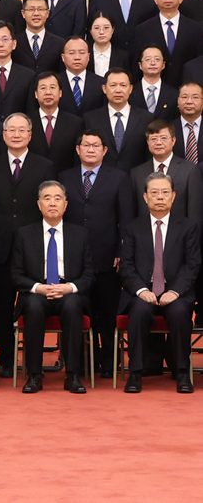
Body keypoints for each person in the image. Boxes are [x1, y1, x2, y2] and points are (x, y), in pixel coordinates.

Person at [0, 112, 56, 376]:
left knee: (33, 305)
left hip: (32, 247)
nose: (16, 134)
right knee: (2, 307)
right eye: (11, 130)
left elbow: (48, 208)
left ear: (30, 135)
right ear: (3, 135)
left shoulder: (45, 166)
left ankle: (33, 359)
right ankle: (7, 359)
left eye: (22, 130)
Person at [60, 128, 133, 378]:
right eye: (86, 145)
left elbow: (126, 219)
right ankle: (79, 363)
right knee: (76, 311)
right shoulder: (64, 177)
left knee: (106, 313)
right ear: (78, 149)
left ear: (104, 150)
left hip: (107, 256)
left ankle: (109, 362)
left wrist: (122, 251)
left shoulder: (119, 178)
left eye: (96, 146)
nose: (90, 150)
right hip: (73, 258)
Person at [118, 173, 200, 393]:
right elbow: (126, 265)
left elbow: (192, 264)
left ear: (173, 196)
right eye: (154, 193)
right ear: (146, 197)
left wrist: (175, 291)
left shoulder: (187, 227)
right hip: (143, 292)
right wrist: (141, 290)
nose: (160, 197)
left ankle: (182, 373)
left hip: (176, 293)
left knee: (179, 312)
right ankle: (135, 373)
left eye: (165, 192)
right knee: (139, 311)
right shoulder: (133, 227)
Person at [11, 181, 94, 394]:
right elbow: (16, 274)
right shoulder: (24, 234)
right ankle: (34, 375)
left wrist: (69, 287)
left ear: (65, 204)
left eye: (58, 198)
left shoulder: (80, 234)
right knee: (33, 307)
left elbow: (89, 274)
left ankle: (72, 375)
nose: (52, 203)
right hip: (38, 291)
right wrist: (38, 287)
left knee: (73, 306)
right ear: (39, 205)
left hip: (68, 291)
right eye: (47, 198)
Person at [129, 120, 203, 229]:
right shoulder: (136, 173)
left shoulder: (190, 170)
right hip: (145, 233)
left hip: (180, 233)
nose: (158, 143)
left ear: (173, 141)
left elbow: (195, 212)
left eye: (164, 138)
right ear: (148, 142)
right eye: (153, 139)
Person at [133, 0, 203, 88]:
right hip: (156, 89)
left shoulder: (196, 29)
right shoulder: (143, 29)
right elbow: (137, 64)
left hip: (187, 89)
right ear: (155, 0)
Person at [83, 69, 154, 173]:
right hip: (102, 177)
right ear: (104, 88)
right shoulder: (90, 118)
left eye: (123, 85)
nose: (118, 90)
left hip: (136, 177)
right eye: (113, 85)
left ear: (131, 89)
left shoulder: (146, 118)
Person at [28, 72, 83, 174]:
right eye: (43, 88)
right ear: (36, 94)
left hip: (65, 179)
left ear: (60, 92)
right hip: (34, 178)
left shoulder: (75, 123)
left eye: (52, 87)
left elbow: (77, 158)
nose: (48, 92)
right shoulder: (27, 122)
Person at [11, 0, 65, 74]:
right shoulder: (13, 43)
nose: (36, 13)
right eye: (31, 9)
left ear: (47, 13)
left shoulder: (60, 44)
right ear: (23, 13)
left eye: (41, 9)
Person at [58, 36, 106, 117]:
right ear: (63, 57)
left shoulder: (101, 83)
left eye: (82, 53)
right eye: (71, 53)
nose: (77, 57)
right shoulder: (55, 82)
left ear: (88, 56)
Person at [128, 44, 178, 121]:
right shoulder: (130, 92)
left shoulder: (174, 94)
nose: (153, 63)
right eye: (148, 59)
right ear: (140, 65)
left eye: (157, 59)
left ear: (163, 65)